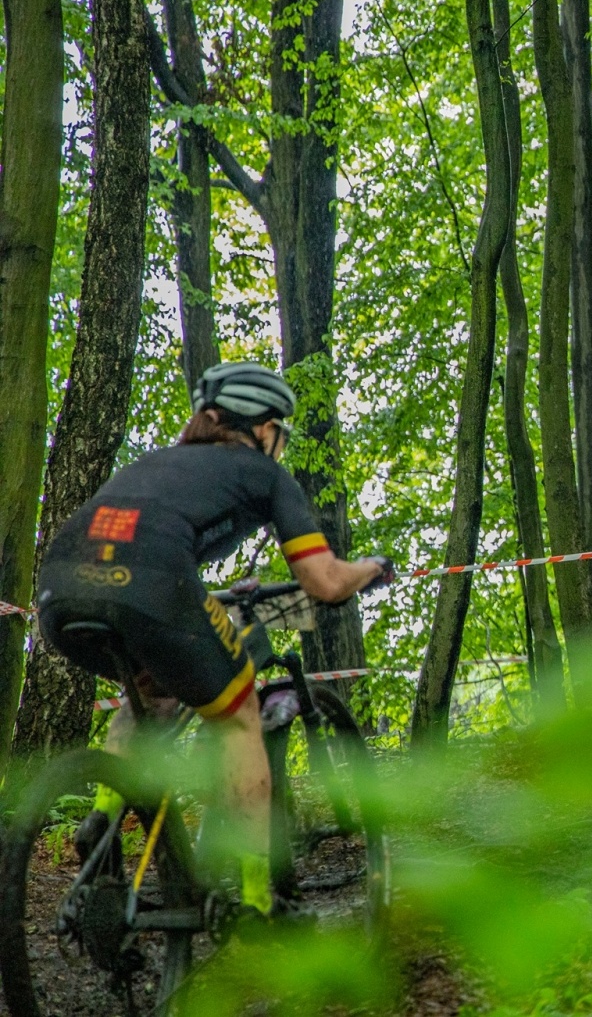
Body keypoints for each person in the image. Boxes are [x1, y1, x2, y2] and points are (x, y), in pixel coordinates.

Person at [37, 362, 394, 920]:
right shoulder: (265, 474)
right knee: (240, 714)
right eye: (281, 432)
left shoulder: (157, 463)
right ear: (264, 428)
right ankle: (257, 898)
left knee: (149, 691)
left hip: (60, 588)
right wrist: (370, 568)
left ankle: (102, 822)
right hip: (153, 586)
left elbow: (147, 538)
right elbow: (323, 581)